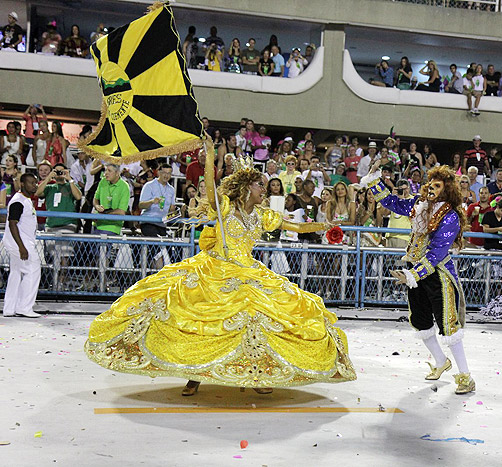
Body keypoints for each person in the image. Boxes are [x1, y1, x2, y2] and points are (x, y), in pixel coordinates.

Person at [85, 154, 356, 394]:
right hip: (214, 267)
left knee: (258, 316)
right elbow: (212, 189)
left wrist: (324, 224)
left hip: (248, 270)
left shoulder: (262, 215)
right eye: (259, 184)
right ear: (246, 187)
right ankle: (194, 374)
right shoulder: (225, 207)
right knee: (196, 315)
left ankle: (256, 374)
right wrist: (210, 160)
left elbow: (294, 227)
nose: (264, 189)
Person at [363, 161, 475, 395]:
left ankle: (465, 377)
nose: (431, 188)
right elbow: (391, 202)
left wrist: (412, 274)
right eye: (429, 184)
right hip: (414, 273)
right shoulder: (419, 205)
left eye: (437, 185)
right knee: (422, 322)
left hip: (439, 276)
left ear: (447, 190)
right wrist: (374, 179)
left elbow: (436, 254)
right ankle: (441, 361)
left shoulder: (451, 216)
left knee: (449, 327)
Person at [36, 164, 82, 288]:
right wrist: (48, 178)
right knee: (53, 254)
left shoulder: (70, 186)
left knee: (64, 254)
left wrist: (70, 179)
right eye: (57, 172)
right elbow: (37, 193)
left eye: (62, 171)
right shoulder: (50, 187)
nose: (59, 174)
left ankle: (61, 282)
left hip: (68, 223)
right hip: (51, 224)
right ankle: (56, 280)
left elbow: (78, 196)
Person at [2, 173, 41, 318]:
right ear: (22, 184)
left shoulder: (25, 200)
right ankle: (25, 307)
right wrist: (21, 247)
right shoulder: (18, 201)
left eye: (35, 183)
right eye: (31, 183)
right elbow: (13, 224)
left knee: (16, 273)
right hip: (20, 243)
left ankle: (9, 308)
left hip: (20, 242)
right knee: (33, 270)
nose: (34, 185)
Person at [138, 164, 177, 268]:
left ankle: (156, 273)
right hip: (148, 222)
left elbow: (171, 209)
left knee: (167, 249)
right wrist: (152, 201)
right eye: (164, 172)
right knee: (158, 249)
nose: (166, 175)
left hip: (162, 224)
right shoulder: (149, 185)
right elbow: (141, 205)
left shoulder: (171, 189)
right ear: (159, 172)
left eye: (169, 173)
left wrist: (176, 211)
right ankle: (157, 274)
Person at [93, 164, 130, 236]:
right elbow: (95, 199)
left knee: (102, 245)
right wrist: (97, 206)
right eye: (105, 170)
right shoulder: (103, 181)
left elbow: (121, 211)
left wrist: (103, 215)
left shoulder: (124, 187)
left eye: (109, 171)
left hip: (112, 226)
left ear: (117, 173)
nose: (105, 173)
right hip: (97, 224)